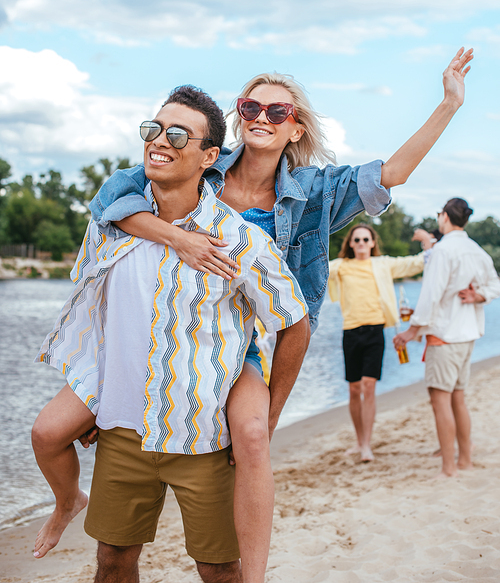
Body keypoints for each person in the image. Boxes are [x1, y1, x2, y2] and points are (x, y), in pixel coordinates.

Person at [34, 48, 472, 578]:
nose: (261, 117)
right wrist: (178, 238)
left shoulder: (313, 192)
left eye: (278, 112)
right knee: (55, 430)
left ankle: (254, 574)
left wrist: (449, 103)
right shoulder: (200, 162)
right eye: (250, 107)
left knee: (254, 436)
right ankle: (77, 490)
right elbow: (112, 203)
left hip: (244, 340)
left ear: (296, 128)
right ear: (237, 118)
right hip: (161, 331)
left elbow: (393, 173)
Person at [33, 86, 310, 583]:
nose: (160, 140)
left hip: (201, 435)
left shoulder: (241, 240)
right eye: (153, 129)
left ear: (210, 156)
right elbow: (95, 313)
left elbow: (294, 320)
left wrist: (267, 414)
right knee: (112, 562)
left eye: (178, 133)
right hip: (122, 430)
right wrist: (95, 391)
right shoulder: (110, 226)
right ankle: (67, 502)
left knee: (218, 569)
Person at [393, 198, 500, 478]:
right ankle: (464, 460)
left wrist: (411, 330)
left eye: (439, 214)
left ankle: (449, 467)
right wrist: (480, 295)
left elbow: (431, 296)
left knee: (441, 401)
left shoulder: (443, 251)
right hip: (467, 335)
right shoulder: (475, 249)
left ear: (444, 218)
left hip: (445, 336)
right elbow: (495, 283)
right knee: (458, 399)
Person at [328, 224, 426, 461]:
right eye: (357, 240)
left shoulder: (383, 264)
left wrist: (428, 243)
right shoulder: (340, 267)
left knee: (369, 386)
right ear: (351, 244)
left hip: (375, 332)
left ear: (372, 243)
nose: (361, 243)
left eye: (365, 239)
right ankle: (359, 440)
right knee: (354, 389)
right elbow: (314, 268)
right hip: (350, 332)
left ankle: (366, 445)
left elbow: (416, 262)